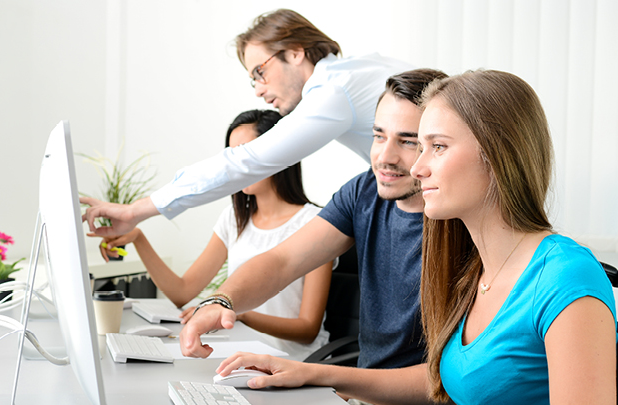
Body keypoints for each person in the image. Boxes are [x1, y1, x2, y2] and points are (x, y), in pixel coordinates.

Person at [204, 70, 618, 405]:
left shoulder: (566, 278)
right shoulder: (481, 270)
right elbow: (442, 383)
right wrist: (315, 373)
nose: (416, 167)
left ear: (498, 154)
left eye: (436, 147)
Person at [179, 69, 445, 391]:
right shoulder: (363, 192)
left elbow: (448, 385)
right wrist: (222, 301)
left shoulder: (461, 219)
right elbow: (282, 261)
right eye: (378, 136)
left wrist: (319, 377)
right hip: (365, 396)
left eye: (407, 141)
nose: (384, 157)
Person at [82, 9, 411, 237]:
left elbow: (248, 161)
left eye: (260, 72)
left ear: (295, 52)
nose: (258, 90)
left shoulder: (335, 90)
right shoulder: (358, 71)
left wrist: (137, 210)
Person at [100, 109, 333, 360]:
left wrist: (235, 309)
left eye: (246, 152)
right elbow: (182, 292)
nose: (237, 164)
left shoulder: (315, 223)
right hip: (241, 351)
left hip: (291, 361)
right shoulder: (233, 220)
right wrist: (138, 238)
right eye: (232, 155)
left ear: (277, 152)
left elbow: (308, 329)